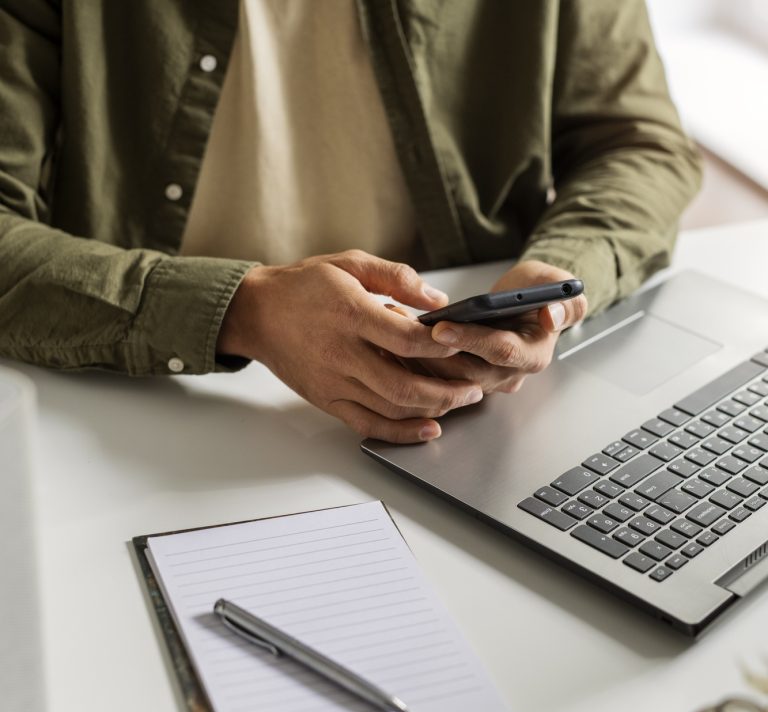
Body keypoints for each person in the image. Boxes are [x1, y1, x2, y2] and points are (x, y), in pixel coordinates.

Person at [0, 1, 701, 443]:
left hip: (477, 412)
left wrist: (557, 278)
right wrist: (237, 310)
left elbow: (638, 143)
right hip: (146, 405)